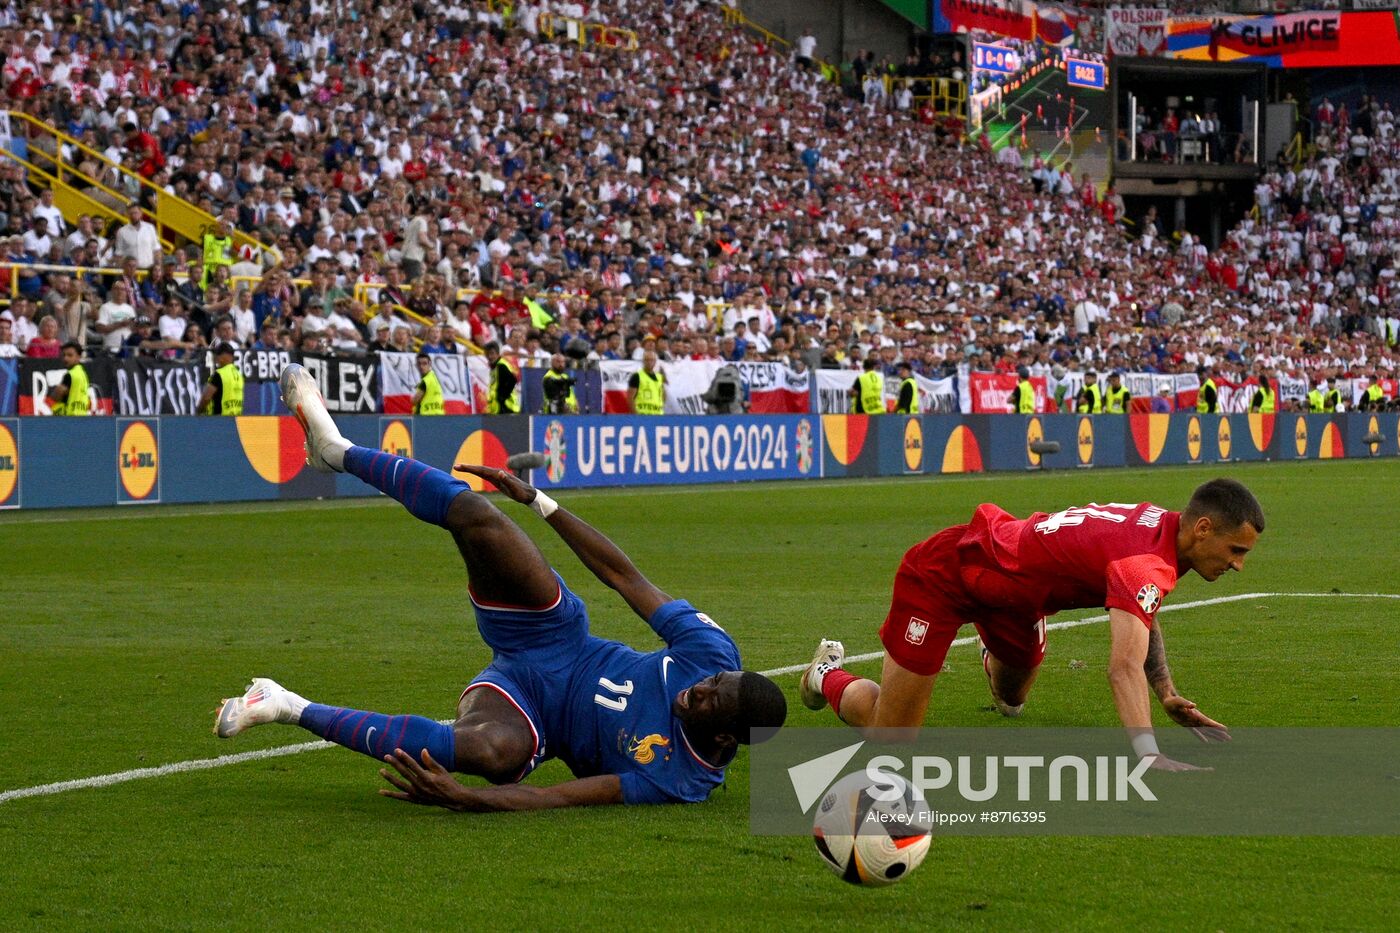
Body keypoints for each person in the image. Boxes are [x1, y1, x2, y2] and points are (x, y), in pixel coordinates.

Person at [214, 364, 787, 810]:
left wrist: (471, 799)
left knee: (491, 752)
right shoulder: (712, 653)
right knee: (477, 514)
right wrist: (540, 502)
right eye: (714, 682)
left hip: (531, 714)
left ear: (731, 736)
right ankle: (336, 451)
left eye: (713, 700)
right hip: (557, 634)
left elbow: (560, 796)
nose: (701, 689)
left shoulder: (681, 778)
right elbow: (623, 576)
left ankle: (286, 705)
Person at [799, 479, 1264, 770]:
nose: (1238, 565)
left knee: (1013, 698)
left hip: (1016, 599)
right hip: (948, 574)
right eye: (1236, 551)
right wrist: (1148, 752)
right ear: (1202, 528)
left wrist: (1165, 692)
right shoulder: (1146, 560)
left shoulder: (1158, 529)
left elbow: (1143, 609)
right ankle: (825, 676)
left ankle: (992, 652)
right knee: (893, 739)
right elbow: (1122, 666)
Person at [198, 343, 244, 415]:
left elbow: (206, 398)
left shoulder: (219, 374)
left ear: (227, 355)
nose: (216, 357)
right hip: (236, 419)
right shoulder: (239, 374)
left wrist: (198, 412)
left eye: (219, 354)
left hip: (219, 420)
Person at [46, 342, 90, 416]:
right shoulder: (83, 374)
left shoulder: (70, 375)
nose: (65, 358)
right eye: (64, 355)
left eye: (70, 355)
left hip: (69, 416)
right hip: (82, 416)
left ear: (78, 357)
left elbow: (56, 396)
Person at [485, 341, 520, 414]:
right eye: (487, 354)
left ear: (498, 354)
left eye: (492, 353)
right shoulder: (495, 367)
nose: (489, 356)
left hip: (506, 408)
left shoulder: (501, 366)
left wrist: (501, 397)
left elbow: (512, 381)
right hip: (499, 409)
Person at [628, 350, 666, 415]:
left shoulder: (660, 377)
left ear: (655, 362)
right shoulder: (637, 376)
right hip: (642, 415)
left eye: (652, 360)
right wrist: (636, 415)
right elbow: (630, 398)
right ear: (643, 361)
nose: (649, 362)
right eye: (647, 360)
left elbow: (663, 395)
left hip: (657, 415)